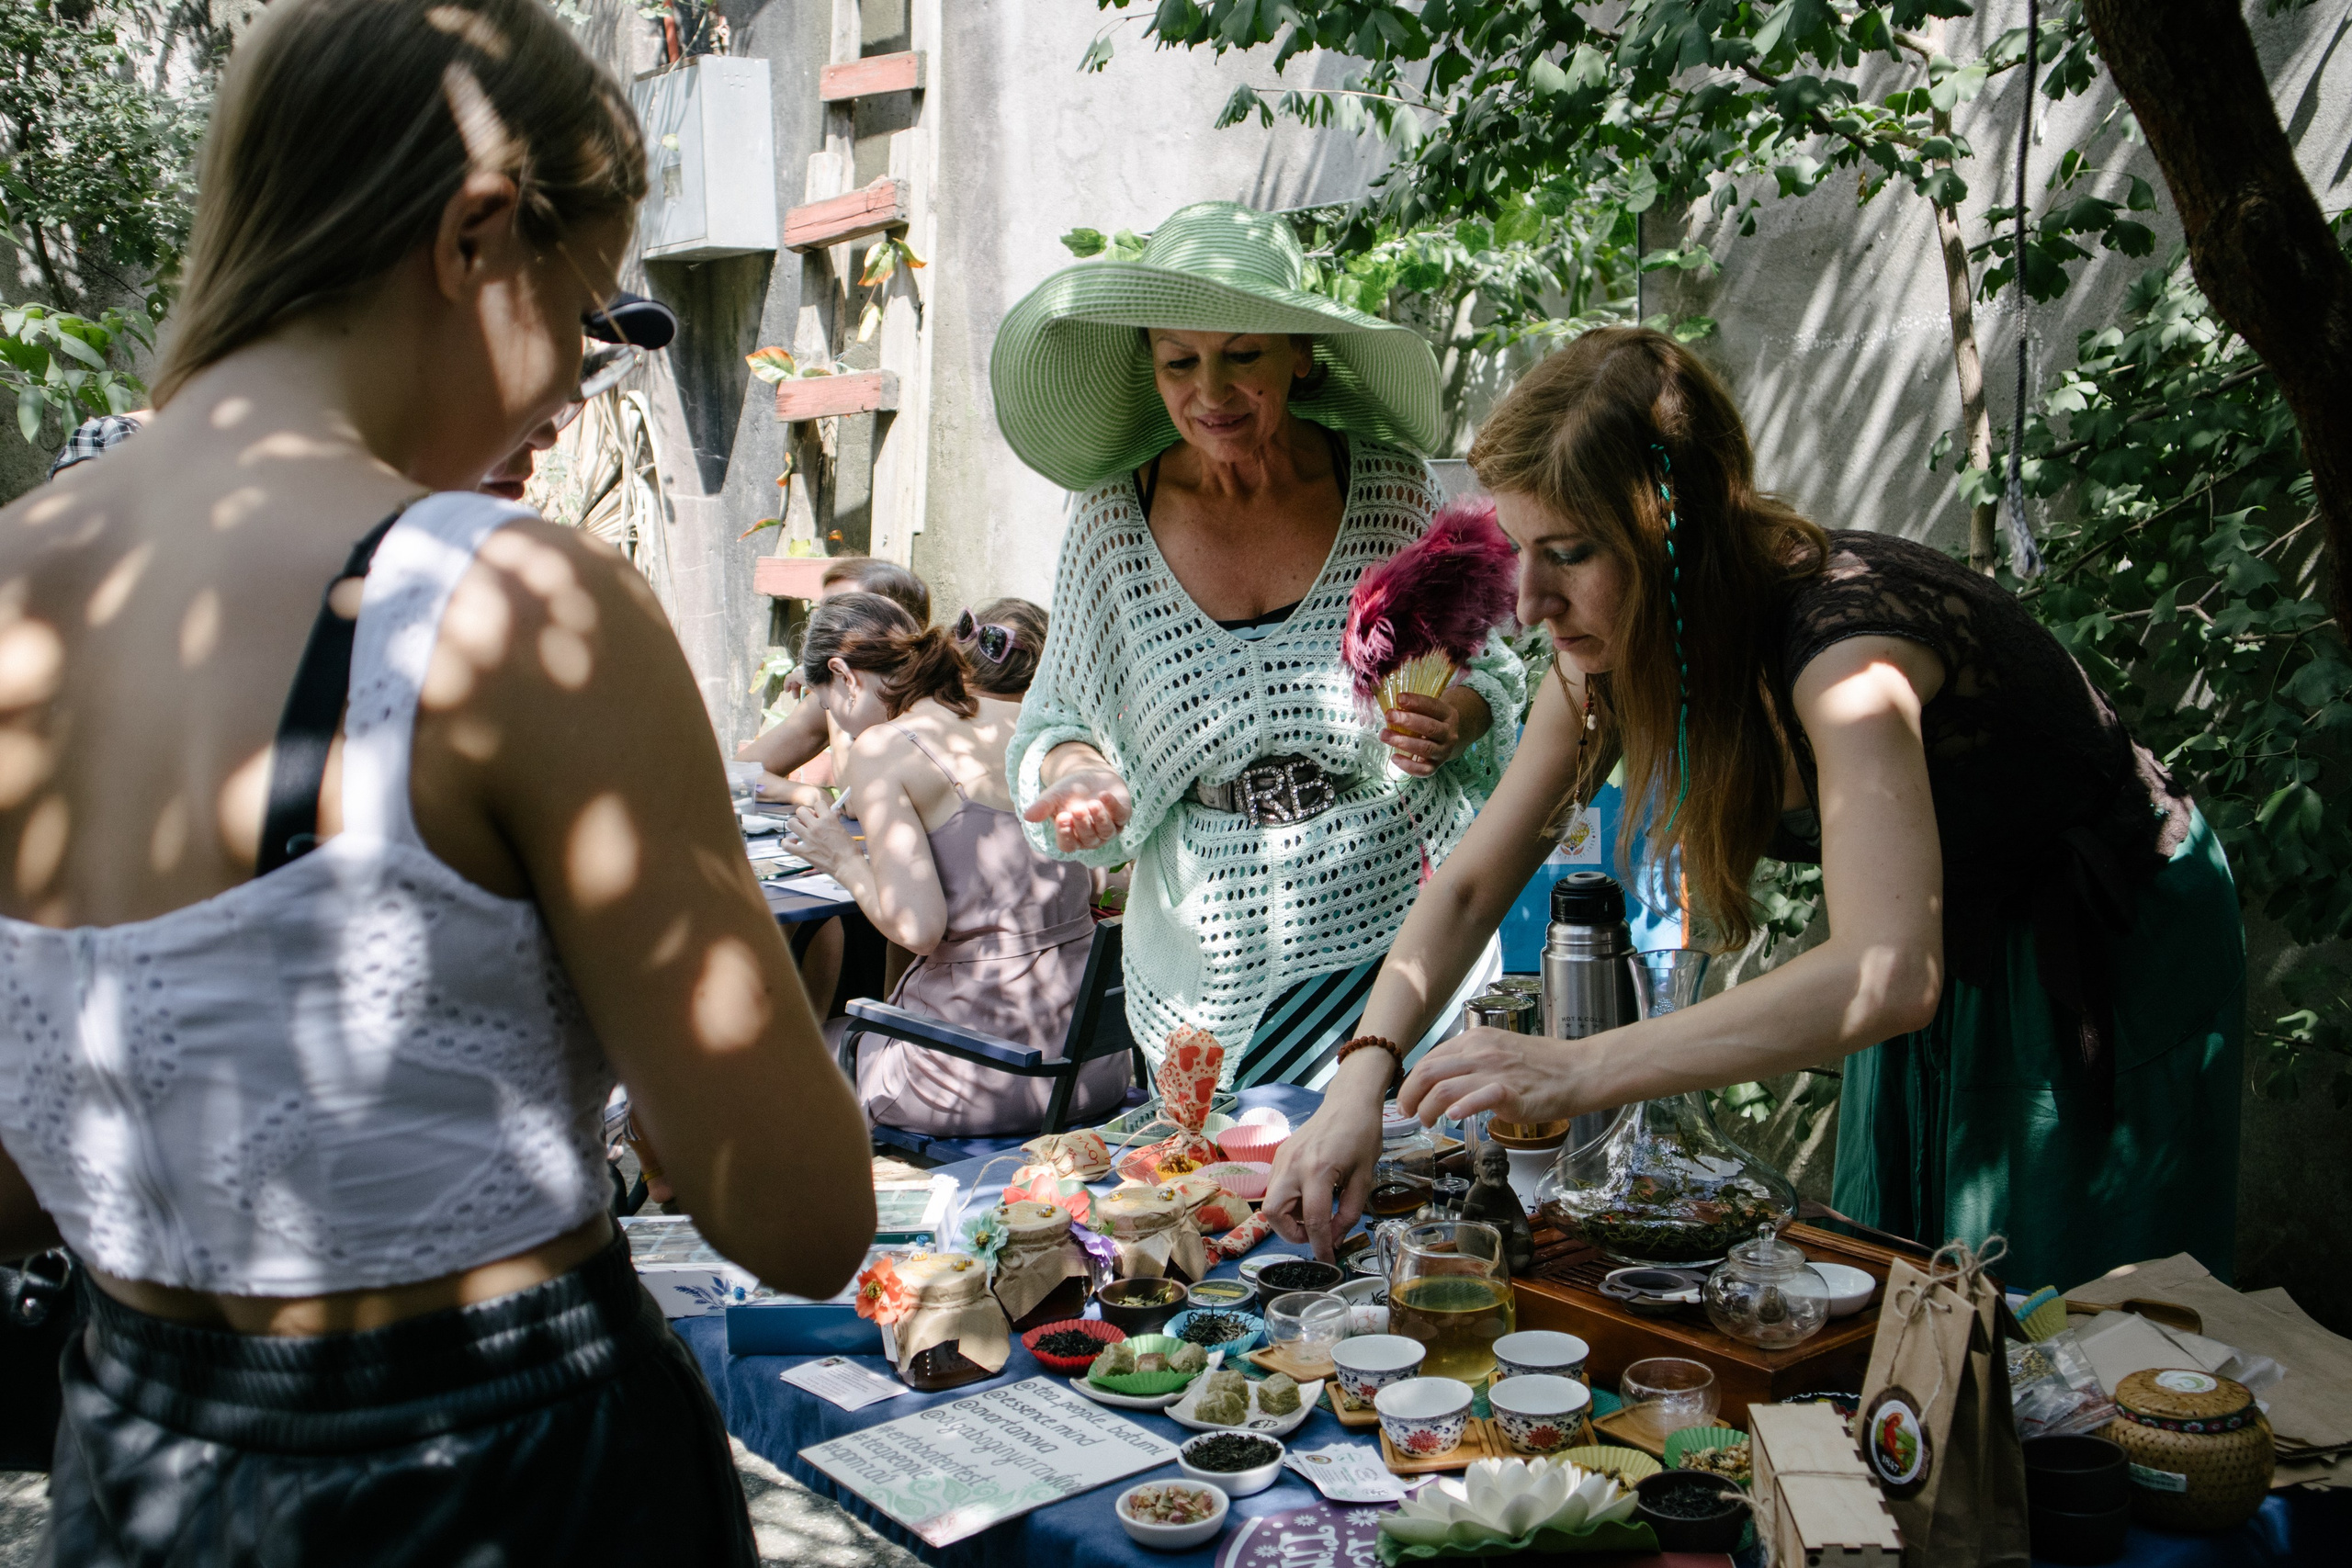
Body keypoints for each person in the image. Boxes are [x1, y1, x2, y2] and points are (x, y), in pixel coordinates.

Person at [0, 3, 874, 1562]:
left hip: (137, 1470)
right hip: (505, 1473)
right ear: (477, 233)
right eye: (589, 317)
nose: (569, 397)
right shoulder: (509, 605)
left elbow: (18, 1187)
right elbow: (801, 1213)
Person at [1264, 327, 2244, 1290]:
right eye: (1521, 550)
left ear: (1674, 537)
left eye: (1569, 553)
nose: (1529, 604)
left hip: (2101, 940)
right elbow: (1472, 886)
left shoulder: (1851, 656)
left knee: (2061, 1309)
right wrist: (1361, 1078)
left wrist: (1579, 1069)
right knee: (1914, 1284)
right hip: (1950, 931)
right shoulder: (1608, 657)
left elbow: (1886, 973)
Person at [991, 201, 1526, 1088]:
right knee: (1222, 1172)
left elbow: (1489, 672)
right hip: (1211, 955)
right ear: (1151, 367)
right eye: (1180, 361)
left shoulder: (1389, 488)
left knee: (1413, 1165)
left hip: (1399, 930)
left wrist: (1454, 719)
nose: (1211, 391)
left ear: (1299, 353)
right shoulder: (1113, 521)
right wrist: (1078, 775)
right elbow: (1057, 722)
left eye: (1242, 354)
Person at [780, 593, 1128, 1135]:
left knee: (786, 1058)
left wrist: (841, 858)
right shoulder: (1029, 723)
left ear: (844, 677)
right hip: (1091, 1068)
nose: (840, 726)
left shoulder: (883, 749)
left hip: (977, 1075)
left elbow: (919, 929)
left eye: (829, 706)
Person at [737, 554, 933, 807]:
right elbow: (736, 776)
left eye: (841, 609)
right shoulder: (830, 697)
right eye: (821, 611)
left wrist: (841, 692)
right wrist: (803, 794)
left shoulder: (930, 700)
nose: (821, 626)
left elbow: (859, 805)